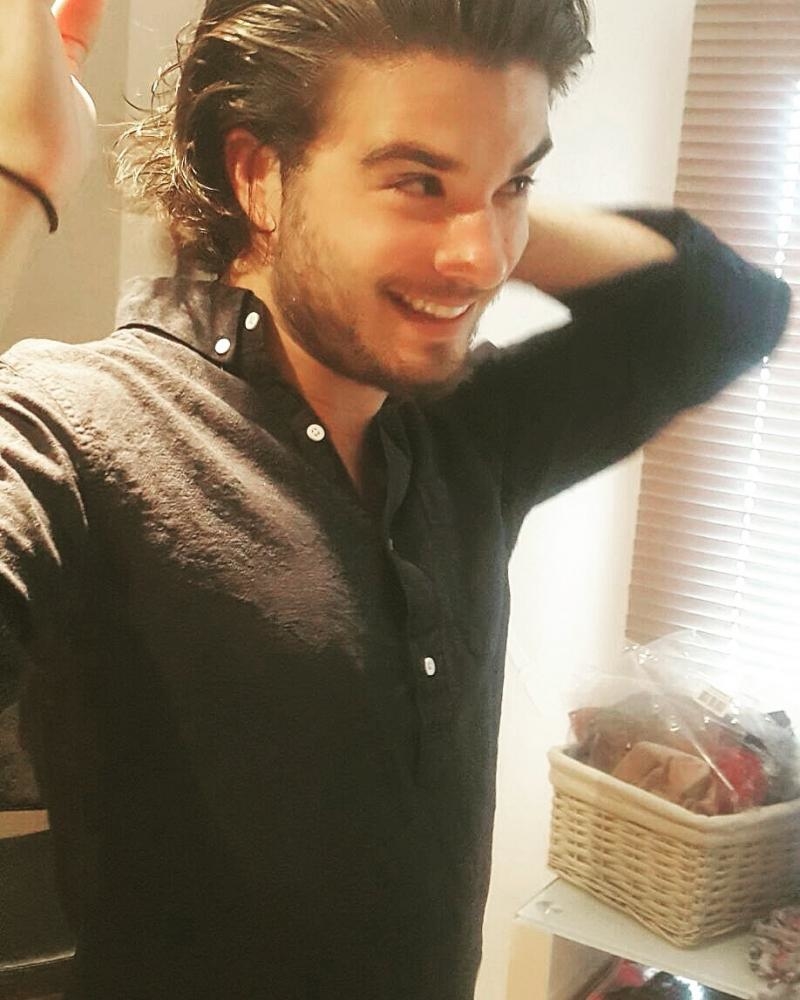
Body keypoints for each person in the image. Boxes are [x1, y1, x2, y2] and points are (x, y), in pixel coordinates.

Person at [0, 1, 791, 998]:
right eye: (415, 180)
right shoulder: (79, 426)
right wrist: (20, 171)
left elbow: (724, 313)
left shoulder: (463, 433)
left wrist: (457, 191)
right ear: (258, 175)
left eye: (516, 184)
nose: (485, 261)